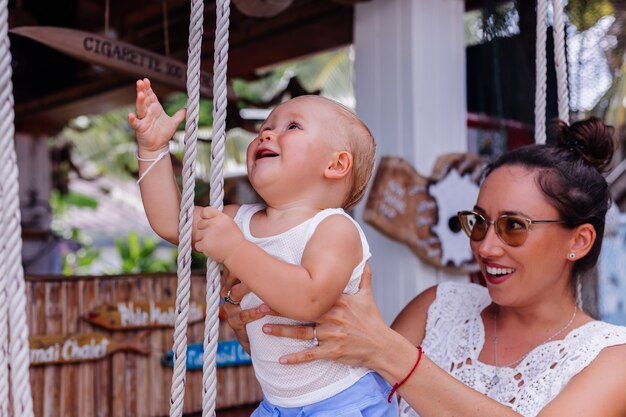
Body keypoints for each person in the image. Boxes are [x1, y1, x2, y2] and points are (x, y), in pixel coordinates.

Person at [222, 117, 626, 417]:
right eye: (478, 222)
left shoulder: (611, 358)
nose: (485, 246)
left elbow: (383, 355)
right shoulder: (438, 306)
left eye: (513, 227)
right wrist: (259, 329)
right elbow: (343, 392)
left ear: (579, 240)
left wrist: (394, 355)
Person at [128, 78, 399, 416]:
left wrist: (235, 251)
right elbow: (170, 222)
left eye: (293, 126)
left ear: (335, 165)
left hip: (342, 400)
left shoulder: (334, 228)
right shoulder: (237, 221)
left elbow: (309, 299)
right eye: (266, 127)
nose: (266, 134)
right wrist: (153, 149)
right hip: (277, 405)